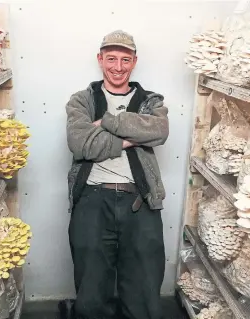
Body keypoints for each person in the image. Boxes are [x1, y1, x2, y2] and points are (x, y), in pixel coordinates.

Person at [65, 30, 169, 319]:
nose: (118, 67)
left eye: (126, 59)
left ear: (135, 61)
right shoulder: (82, 100)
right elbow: (80, 143)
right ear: (100, 59)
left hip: (140, 201)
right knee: (91, 290)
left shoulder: (150, 101)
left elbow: (159, 130)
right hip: (92, 201)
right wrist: (135, 134)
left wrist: (107, 122)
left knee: (143, 290)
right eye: (111, 59)